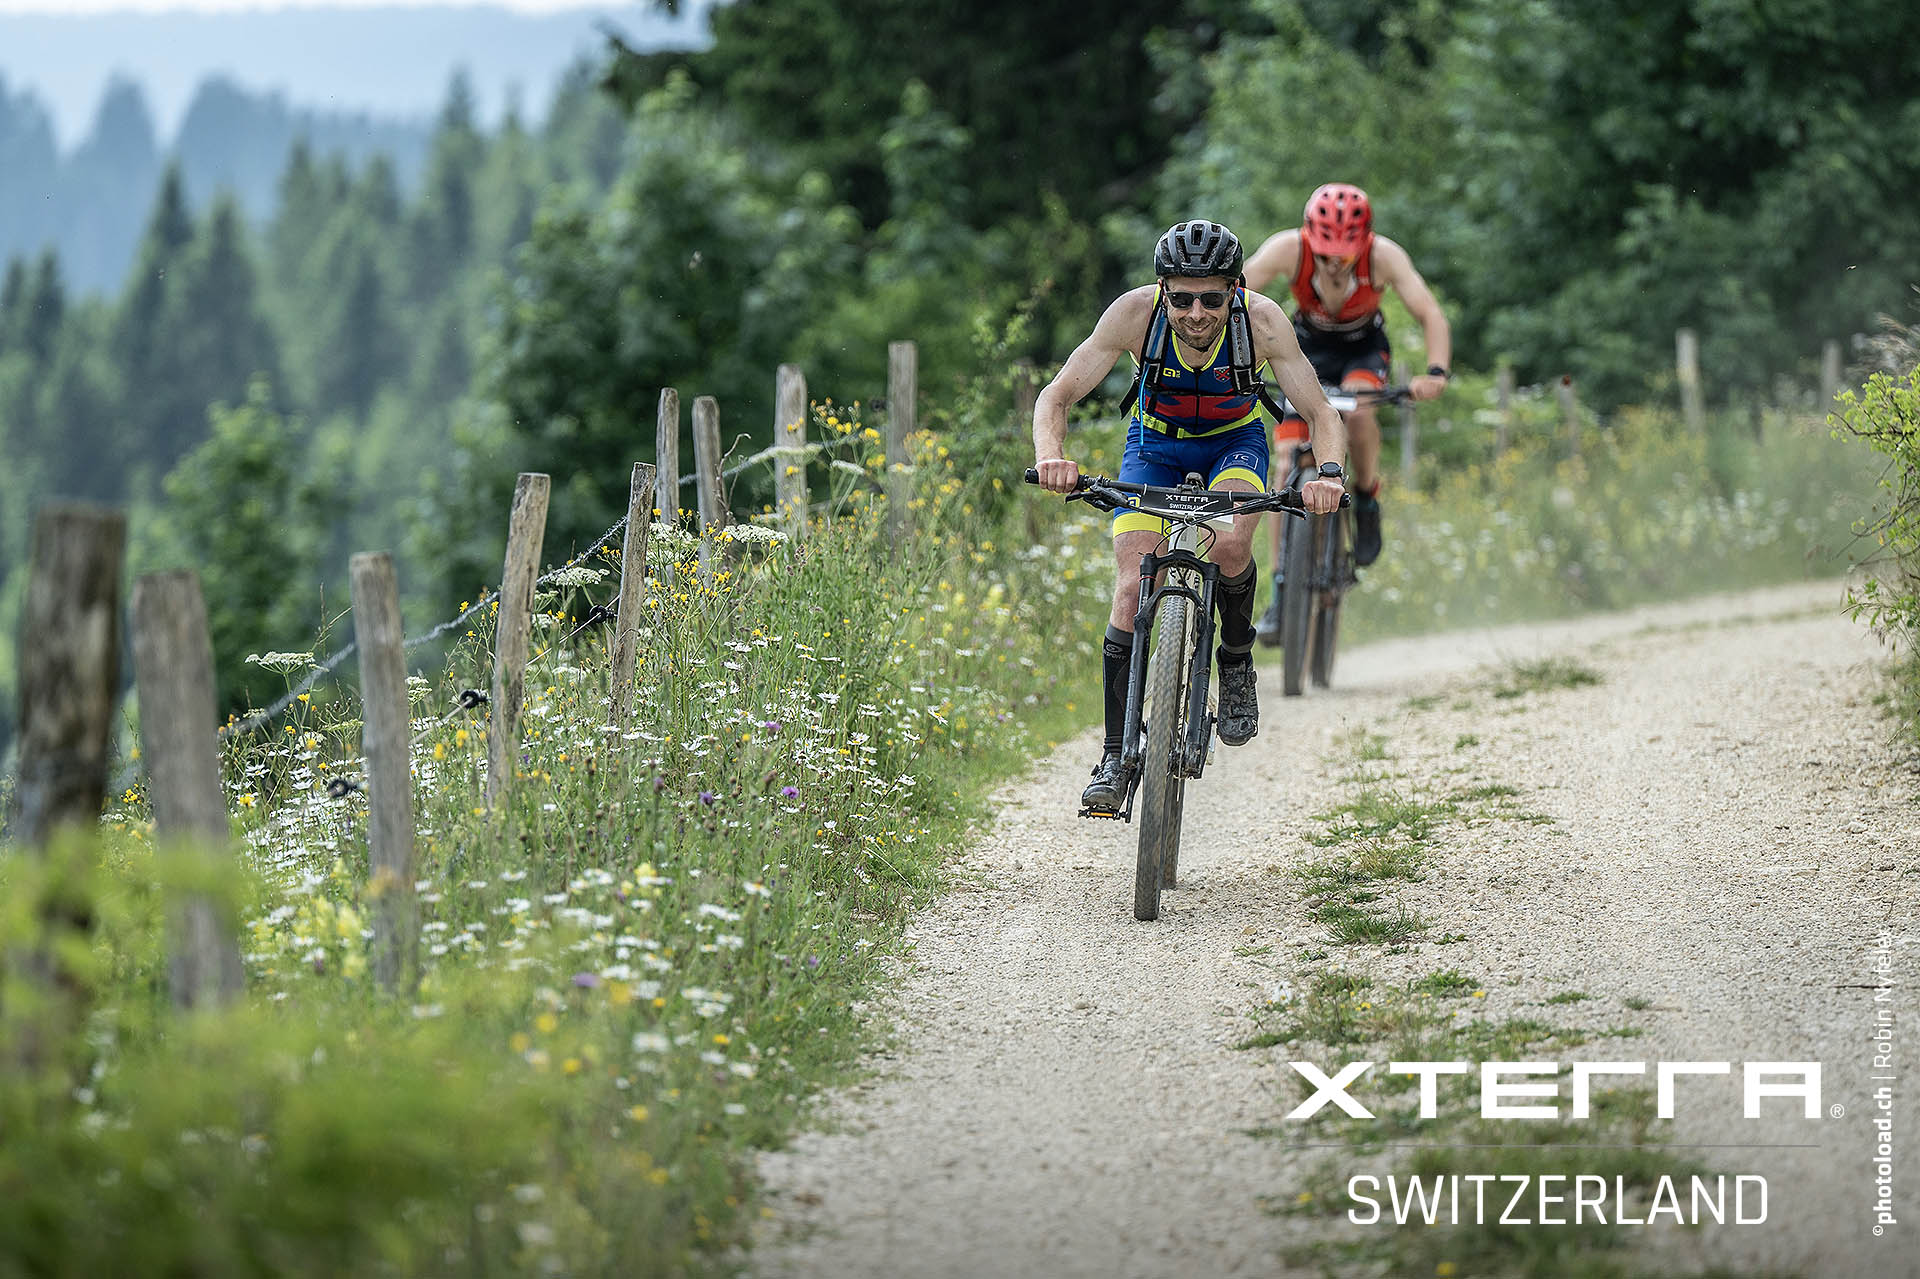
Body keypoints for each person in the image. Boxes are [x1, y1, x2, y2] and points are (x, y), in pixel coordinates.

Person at [1031, 219, 1348, 811]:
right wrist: (1051, 457)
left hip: (1234, 443)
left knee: (1230, 546)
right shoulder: (1133, 315)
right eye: (1181, 299)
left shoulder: (1263, 322)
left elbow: (1321, 413)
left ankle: (1235, 659)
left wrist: (1329, 474)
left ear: (1235, 290)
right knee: (1132, 585)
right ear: (1163, 291)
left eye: (1211, 299)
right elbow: (1057, 395)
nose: (1195, 313)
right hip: (1154, 445)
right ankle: (1114, 754)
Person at [1241, 183, 1452, 642]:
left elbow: (1430, 313)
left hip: (1363, 349)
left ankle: (1367, 495)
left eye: (1345, 254)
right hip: (1306, 349)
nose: (1335, 263)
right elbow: (1237, 298)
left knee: (1356, 414)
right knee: (1285, 465)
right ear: (1309, 237)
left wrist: (1435, 372)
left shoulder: (1384, 256)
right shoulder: (1287, 249)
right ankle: (1281, 591)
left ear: (1365, 242)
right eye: (1325, 254)